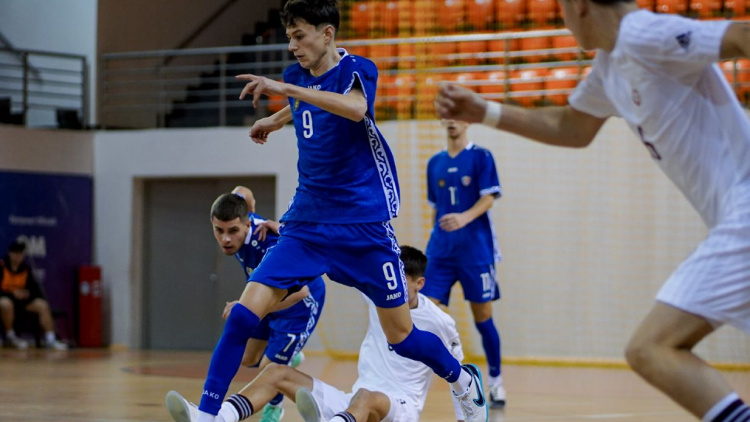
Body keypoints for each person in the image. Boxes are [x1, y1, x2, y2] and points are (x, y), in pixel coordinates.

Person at [434, 3, 750, 421]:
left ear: (580, 5)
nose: (563, 20)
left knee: (651, 347)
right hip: (733, 222)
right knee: (655, 348)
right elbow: (571, 127)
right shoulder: (609, 68)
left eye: (562, 8)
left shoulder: (644, 32)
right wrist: (484, 112)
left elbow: (742, 35)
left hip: (743, 218)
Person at [192, 1, 488, 422]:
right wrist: (278, 119)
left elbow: (353, 108)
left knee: (401, 336)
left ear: (327, 34)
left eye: (299, 36)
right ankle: (207, 414)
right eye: (289, 37)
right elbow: (305, 103)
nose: (292, 46)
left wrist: (287, 92)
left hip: (362, 226)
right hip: (308, 225)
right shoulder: (297, 78)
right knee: (243, 314)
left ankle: (463, 380)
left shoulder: (359, 69)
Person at [166, 246, 468, 422]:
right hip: (354, 405)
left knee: (366, 396)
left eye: (404, 280)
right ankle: (219, 418)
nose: (395, 285)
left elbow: (461, 376)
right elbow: (344, 261)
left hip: (400, 410)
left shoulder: (440, 322)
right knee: (275, 373)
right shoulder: (378, 296)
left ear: (420, 283)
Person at [207, 186, 326, 422]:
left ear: (247, 225)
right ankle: (288, 356)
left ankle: (274, 410)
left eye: (233, 231)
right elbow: (243, 191)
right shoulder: (242, 215)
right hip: (268, 296)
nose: (226, 238)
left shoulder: (268, 244)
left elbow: (300, 292)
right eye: (218, 231)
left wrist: (249, 307)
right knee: (248, 359)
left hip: (299, 304)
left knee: (269, 370)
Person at [424, 119, 506, 408]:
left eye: (458, 115)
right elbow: (437, 210)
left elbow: (488, 199)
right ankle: (444, 373)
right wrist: (432, 246)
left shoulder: (481, 156)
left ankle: (496, 382)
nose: (451, 121)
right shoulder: (434, 163)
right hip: (441, 253)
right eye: (446, 116)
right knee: (423, 313)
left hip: (476, 251)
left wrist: (463, 218)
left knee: (482, 318)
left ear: (468, 120)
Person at [0, 240, 67, 350]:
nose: (18, 256)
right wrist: (12, 293)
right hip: (7, 299)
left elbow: (34, 289)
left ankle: (51, 339)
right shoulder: (2, 267)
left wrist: (27, 294)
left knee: (42, 305)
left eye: (21, 253)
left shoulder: (26, 269)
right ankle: (10, 336)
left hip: (23, 301)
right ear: (10, 254)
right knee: (5, 304)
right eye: (16, 253)